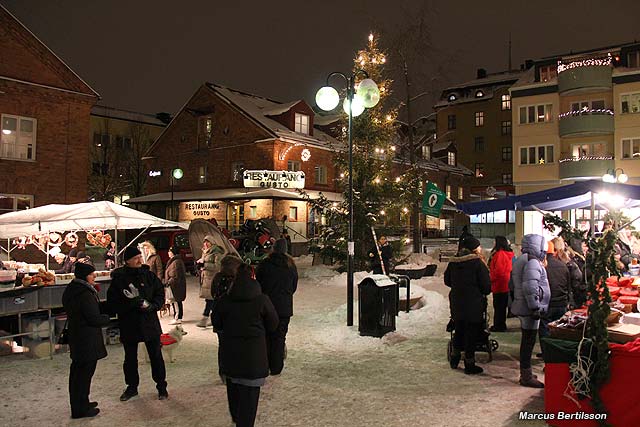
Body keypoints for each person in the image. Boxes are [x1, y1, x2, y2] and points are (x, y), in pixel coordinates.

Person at [212, 262, 279, 427]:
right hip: (254, 359)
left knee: (234, 394)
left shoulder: (224, 300)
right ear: (253, 277)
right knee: (249, 402)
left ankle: (236, 419)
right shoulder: (262, 300)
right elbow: (273, 324)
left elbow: (217, 324)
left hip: (231, 357)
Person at [107, 246, 168, 401]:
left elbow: (160, 294)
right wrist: (131, 305)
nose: (139, 260)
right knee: (130, 358)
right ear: (127, 261)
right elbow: (112, 304)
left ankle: (161, 386)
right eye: (135, 258)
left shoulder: (149, 275)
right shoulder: (119, 280)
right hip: (129, 323)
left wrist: (153, 306)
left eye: (140, 257)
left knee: (156, 356)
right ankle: (132, 387)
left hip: (149, 322)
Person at [62, 262, 111, 419]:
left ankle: (82, 402)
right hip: (86, 339)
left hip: (78, 337)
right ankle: (80, 408)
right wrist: (106, 318)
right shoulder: (84, 293)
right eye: (92, 274)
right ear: (84, 276)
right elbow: (93, 318)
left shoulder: (72, 289)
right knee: (83, 375)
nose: (94, 277)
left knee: (78, 373)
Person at [444, 236, 491, 375]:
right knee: (471, 333)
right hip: (474, 303)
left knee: (459, 329)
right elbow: (486, 286)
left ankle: (455, 357)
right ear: (474, 249)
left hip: (457, 302)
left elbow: (447, 281)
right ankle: (469, 363)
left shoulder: (453, 262)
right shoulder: (477, 263)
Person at [511, 234, 550, 388]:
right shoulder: (532, 262)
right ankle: (526, 376)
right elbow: (530, 286)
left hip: (524, 305)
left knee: (527, 341)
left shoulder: (523, 259)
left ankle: (526, 373)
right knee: (528, 342)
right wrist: (535, 306)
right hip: (530, 309)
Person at [255, 238, 297, 375]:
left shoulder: (264, 264)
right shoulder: (290, 266)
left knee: (267, 336)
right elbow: (294, 286)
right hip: (284, 308)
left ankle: (265, 364)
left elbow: (258, 283)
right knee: (279, 338)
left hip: (267, 307)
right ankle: (276, 367)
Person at [211, 254, 245, 380]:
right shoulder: (235, 280)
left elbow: (213, 293)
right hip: (232, 318)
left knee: (223, 346)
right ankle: (233, 371)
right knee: (234, 346)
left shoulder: (217, 278)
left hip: (219, 316)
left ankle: (224, 373)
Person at [196, 235, 223, 328]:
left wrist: (205, 265)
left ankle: (205, 318)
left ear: (212, 243)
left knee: (210, 299)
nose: (205, 244)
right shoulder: (205, 252)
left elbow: (218, 267)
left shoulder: (216, 253)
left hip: (212, 279)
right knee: (212, 300)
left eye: (207, 242)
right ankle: (214, 318)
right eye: (204, 242)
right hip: (206, 278)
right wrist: (200, 265)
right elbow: (204, 263)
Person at [489, 236, 513, 332]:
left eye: (494, 241)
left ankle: (499, 325)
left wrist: (490, 278)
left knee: (499, 307)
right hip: (504, 284)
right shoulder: (505, 254)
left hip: (499, 285)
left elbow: (498, 272)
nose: (493, 243)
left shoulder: (500, 255)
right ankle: (500, 324)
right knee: (501, 307)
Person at [164, 246, 187, 325]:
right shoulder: (173, 261)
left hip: (176, 286)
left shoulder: (176, 262)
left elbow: (175, 276)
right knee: (174, 302)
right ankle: (177, 317)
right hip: (175, 286)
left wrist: (168, 283)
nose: (168, 253)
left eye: (170, 251)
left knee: (176, 302)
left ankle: (178, 318)